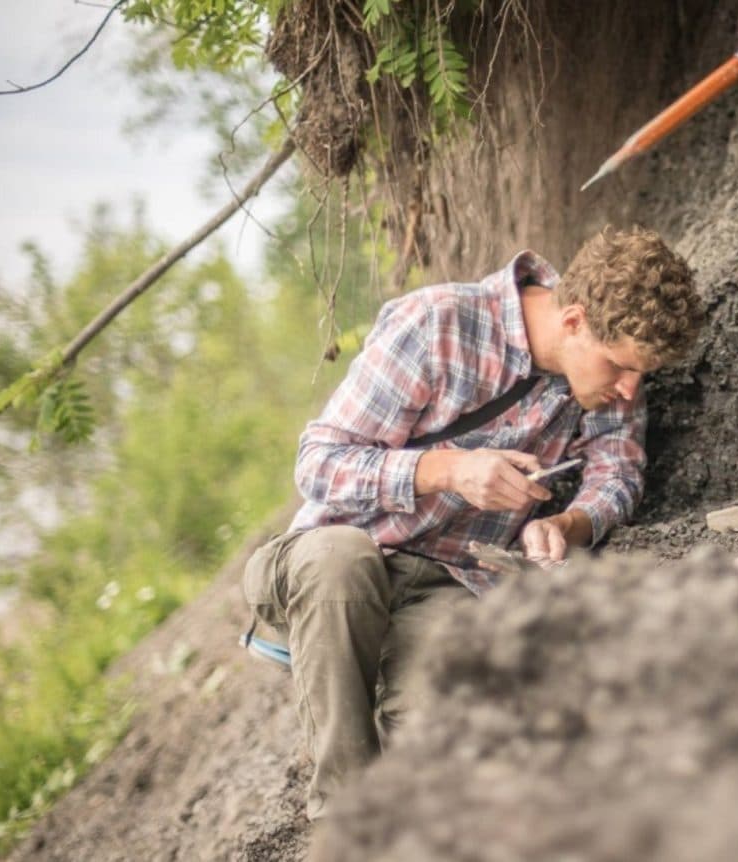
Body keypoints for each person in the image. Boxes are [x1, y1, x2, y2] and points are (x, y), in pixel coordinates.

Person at [242, 226, 704, 820]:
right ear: (574, 321)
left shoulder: (612, 377)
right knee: (342, 563)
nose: (628, 390)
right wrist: (449, 471)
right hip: (333, 556)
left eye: (643, 376)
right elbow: (319, 464)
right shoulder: (438, 324)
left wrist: (569, 523)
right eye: (620, 368)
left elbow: (616, 474)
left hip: (453, 584)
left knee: (448, 728)